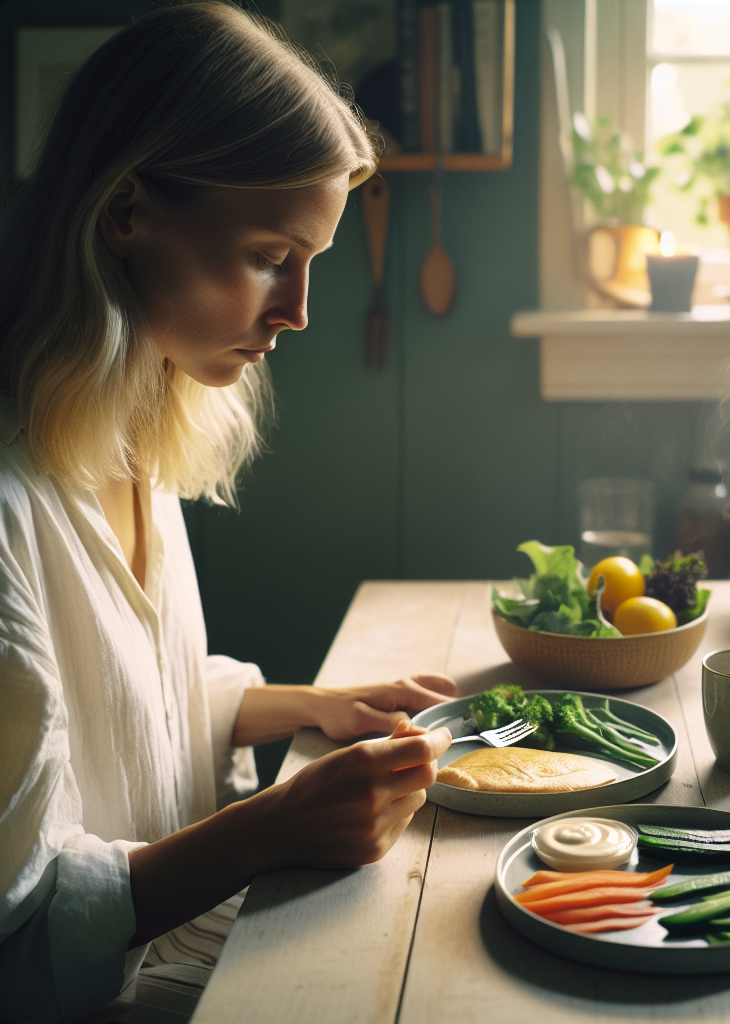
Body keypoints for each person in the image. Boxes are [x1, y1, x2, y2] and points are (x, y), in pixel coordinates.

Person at [0, 4, 455, 1021]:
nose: (296, 311)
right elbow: (16, 941)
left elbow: (120, 709)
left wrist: (304, 704)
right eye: (267, 255)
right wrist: (266, 828)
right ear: (125, 211)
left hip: (201, 950)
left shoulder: (120, 430)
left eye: (311, 264)